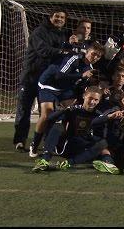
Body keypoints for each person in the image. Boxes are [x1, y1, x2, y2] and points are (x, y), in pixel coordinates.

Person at [29, 42, 105, 157]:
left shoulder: (89, 68)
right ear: (87, 51)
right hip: (49, 85)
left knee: (71, 112)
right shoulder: (74, 58)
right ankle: (34, 146)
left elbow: (78, 86)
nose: (95, 57)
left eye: (98, 56)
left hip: (64, 90)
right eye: (93, 54)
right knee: (46, 114)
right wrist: (81, 76)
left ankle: (57, 143)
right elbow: (59, 76)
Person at [13, 9, 71, 152]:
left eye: (62, 17)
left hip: (46, 81)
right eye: (57, 16)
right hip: (31, 78)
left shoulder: (63, 34)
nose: (59, 19)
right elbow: (43, 50)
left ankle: (46, 142)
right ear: (50, 17)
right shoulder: (39, 31)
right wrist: (62, 51)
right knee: (24, 110)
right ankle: (20, 141)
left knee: (46, 113)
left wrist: (69, 46)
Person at [31, 86, 110, 172]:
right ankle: (45, 160)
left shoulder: (98, 115)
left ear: (99, 101)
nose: (92, 102)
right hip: (67, 144)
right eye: (90, 98)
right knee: (58, 126)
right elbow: (50, 118)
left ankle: (107, 163)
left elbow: (101, 135)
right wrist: (64, 109)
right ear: (84, 96)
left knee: (103, 144)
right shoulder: (73, 110)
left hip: (83, 147)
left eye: (96, 100)